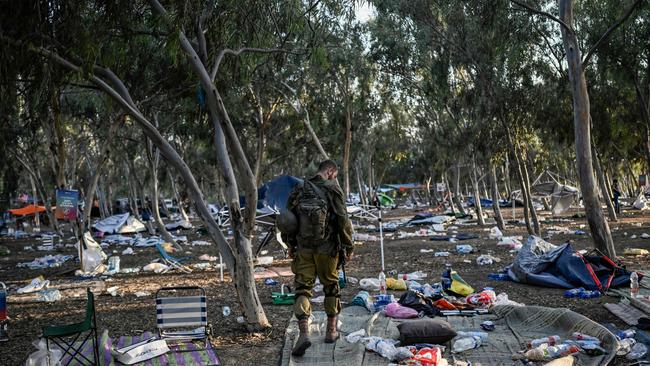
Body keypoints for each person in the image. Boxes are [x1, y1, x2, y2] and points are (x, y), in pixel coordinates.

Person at [283, 160, 354, 356]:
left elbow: (288, 219)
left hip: (304, 248)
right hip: (328, 248)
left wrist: (290, 245)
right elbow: (343, 220)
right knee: (331, 286)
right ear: (330, 172)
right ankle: (331, 331)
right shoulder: (332, 189)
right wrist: (348, 246)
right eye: (335, 175)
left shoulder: (299, 188)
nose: (335, 179)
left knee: (303, 289)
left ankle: (304, 333)